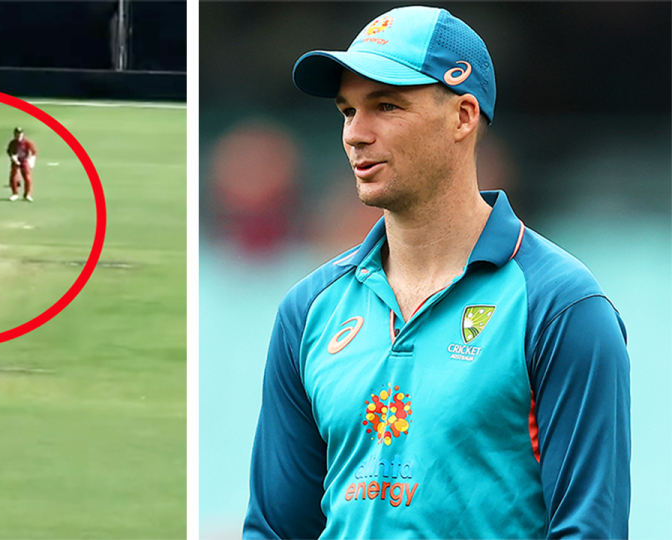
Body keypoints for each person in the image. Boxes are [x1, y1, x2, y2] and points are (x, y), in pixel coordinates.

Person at [244, 6, 630, 540]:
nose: (356, 134)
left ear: (463, 117)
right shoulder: (307, 311)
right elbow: (274, 530)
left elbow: (591, 530)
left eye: (385, 105)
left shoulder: (561, 306)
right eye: (347, 111)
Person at [6, 126, 37, 201]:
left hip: (24, 160)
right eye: (17, 134)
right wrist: (13, 158)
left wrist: (31, 161)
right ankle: (15, 194)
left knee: (27, 178)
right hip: (16, 161)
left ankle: (27, 195)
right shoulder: (13, 143)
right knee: (13, 177)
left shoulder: (27, 142)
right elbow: (9, 151)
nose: (18, 135)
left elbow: (33, 152)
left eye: (20, 134)